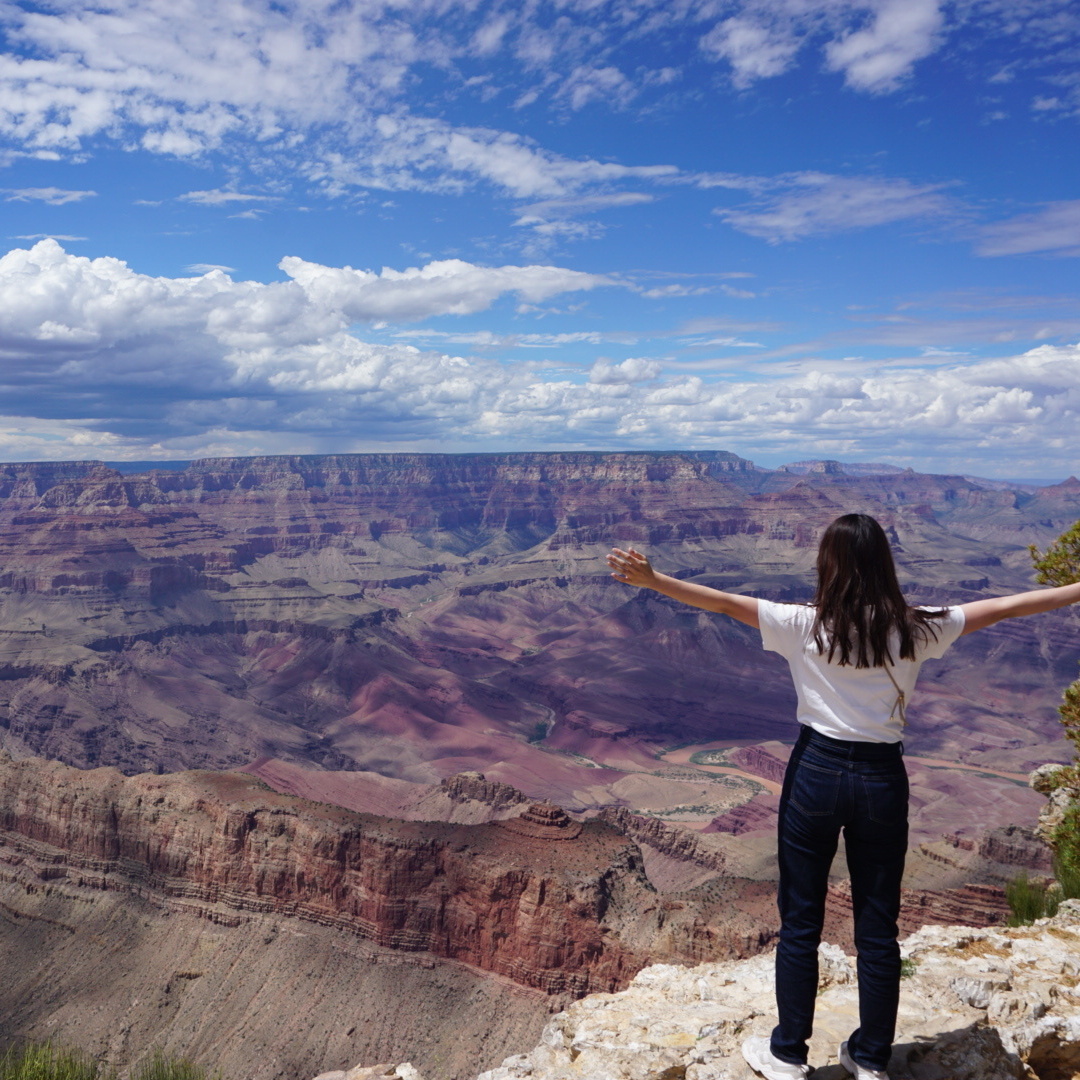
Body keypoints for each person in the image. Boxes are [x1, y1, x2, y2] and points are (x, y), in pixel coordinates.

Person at [606, 514, 1080, 1080]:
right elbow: (1008, 605)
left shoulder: (802, 624)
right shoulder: (919, 628)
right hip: (882, 779)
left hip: (816, 773)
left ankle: (787, 1054)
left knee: (801, 918)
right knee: (877, 926)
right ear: (885, 563)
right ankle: (872, 1057)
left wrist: (655, 581)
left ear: (828, 565)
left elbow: (722, 603)